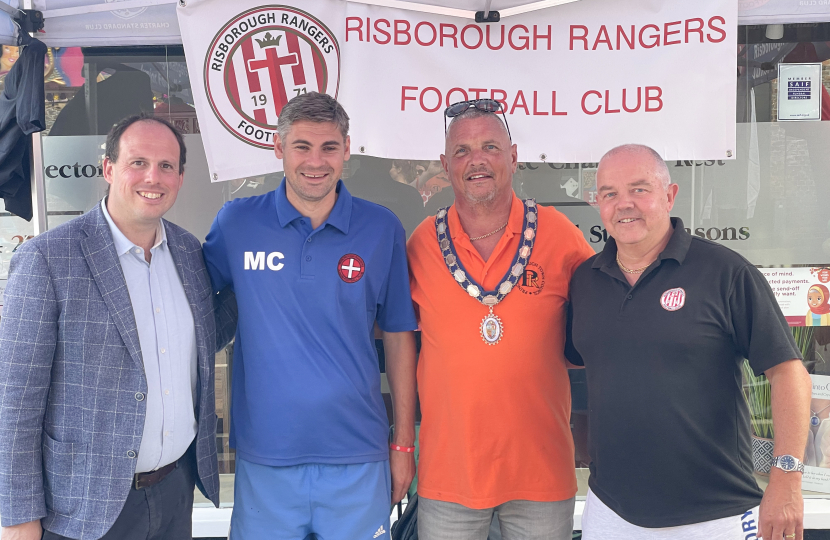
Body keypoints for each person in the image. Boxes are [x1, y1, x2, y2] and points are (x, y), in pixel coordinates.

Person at [0, 114, 229, 540]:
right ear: (108, 168)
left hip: (174, 494)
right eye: (138, 162)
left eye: (166, 166)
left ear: (180, 176)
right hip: (82, 509)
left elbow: (206, 338)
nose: (152, 177)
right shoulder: (49, 260)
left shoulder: (189, 252)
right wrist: (18, 517)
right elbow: (15, 402)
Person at [566, 144, 812, 540]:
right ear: (599, 205)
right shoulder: (584, 282)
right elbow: (577, 364)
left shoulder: (724, 272)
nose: (624, 204)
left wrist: (787, 479)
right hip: (610, 512)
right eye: (609, 194)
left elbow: (788, 373)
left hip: (715, 517)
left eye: (639, 189)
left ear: (669, 195)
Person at [202, 92, 417, 540]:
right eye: (302, 146)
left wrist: (403, 442)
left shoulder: (381, 228)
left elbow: (399, 336)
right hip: (266, 455)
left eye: (329, 147)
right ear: (279, 149)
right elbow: (191, 302)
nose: (315, 161)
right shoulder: (237, 223)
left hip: (359, 452)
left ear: (347, 149)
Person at [407, 99, 595, 540]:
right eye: (461, 150)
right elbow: (396, 340)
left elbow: (605, 327)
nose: (476, 160)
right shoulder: (421, 244)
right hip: (448, 478)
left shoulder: (560, 235)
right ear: (444, 164)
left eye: (490, 146)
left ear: (513, 155)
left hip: (541, 477)